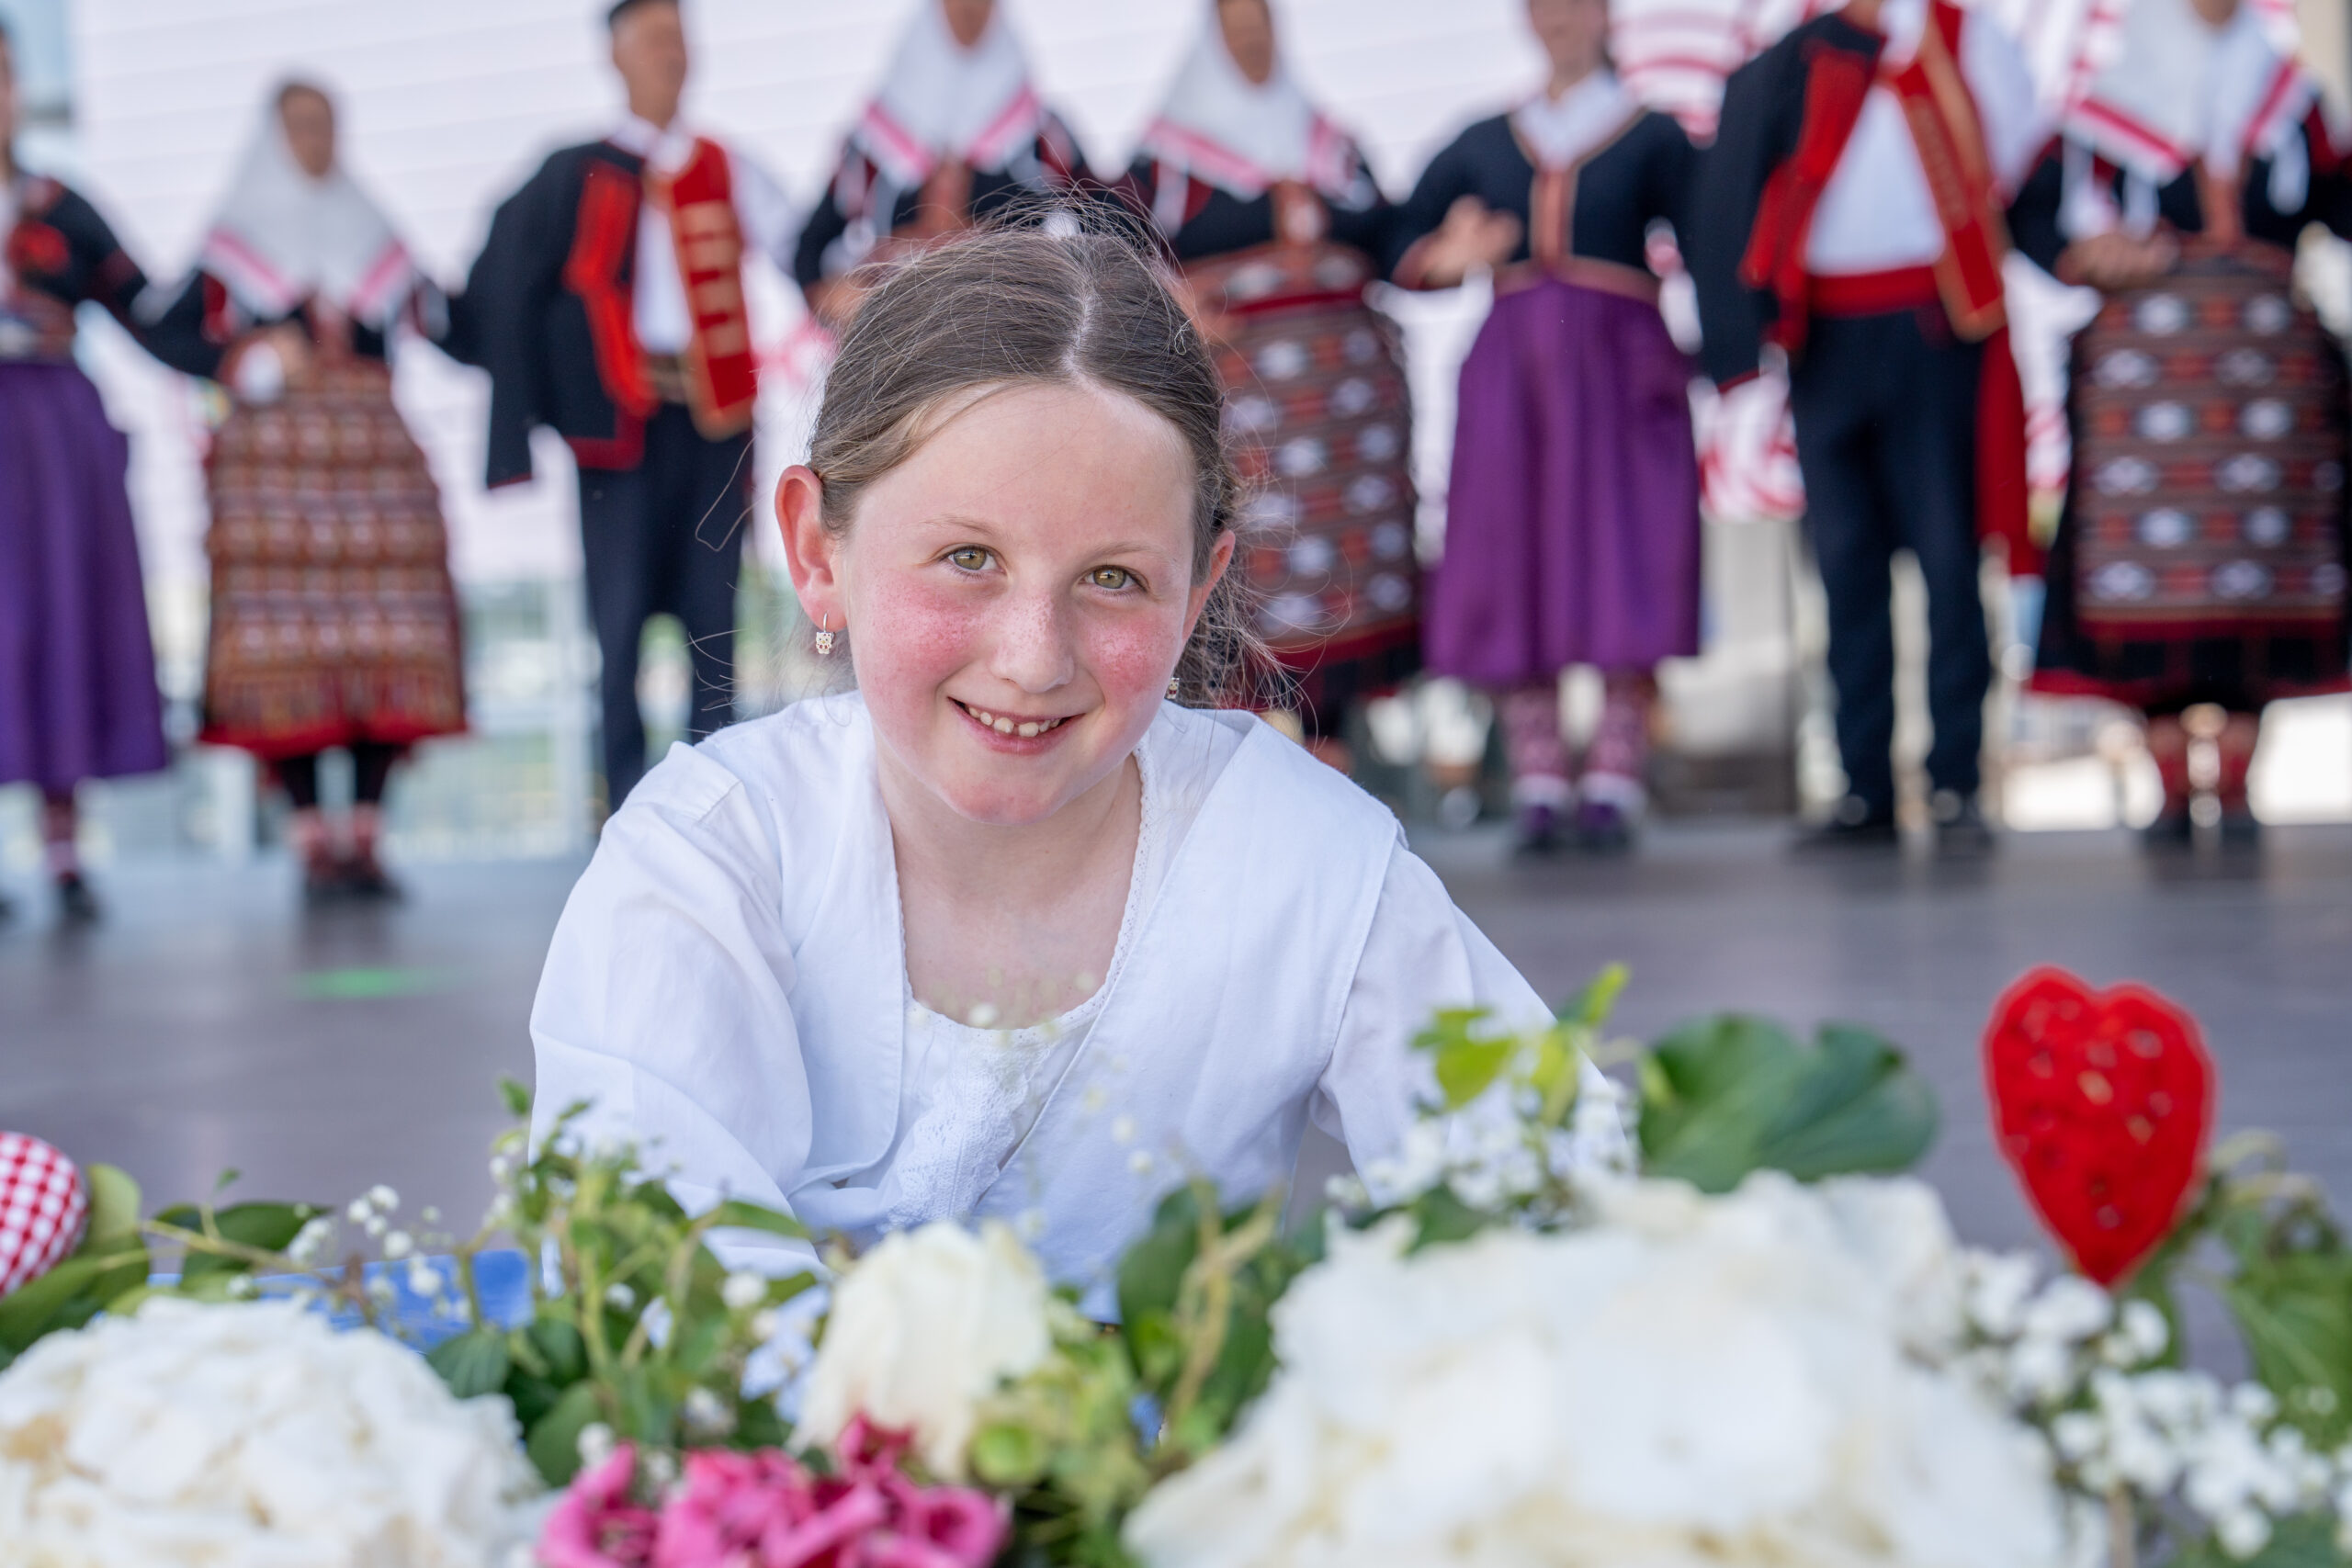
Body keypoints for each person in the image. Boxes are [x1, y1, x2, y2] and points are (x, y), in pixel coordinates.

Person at [529, 228, 1621, 1308]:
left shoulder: (1306, 860)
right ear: (819, 552)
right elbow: (652, 1290)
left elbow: (1571, 1216)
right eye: (967, 559)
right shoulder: (709, 858)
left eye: (1112, 579)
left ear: (1198, 590)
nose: (1033, 659)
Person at [1690, 0, 2050, 853]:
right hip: (1823, 334)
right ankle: (1864, 786)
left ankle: (1956, 780)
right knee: (1846, 564)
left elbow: (2018, 161)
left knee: (1947, 556)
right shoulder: (1803, 49)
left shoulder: (1963, 36)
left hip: (1932, 321)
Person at [2007, 0, 2352, 845]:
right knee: (2143, 565)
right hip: (2145, 378)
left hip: (2266, 379)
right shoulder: (2109, 99)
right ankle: (2164, 771)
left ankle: (2237, 771)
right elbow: (2029, 213)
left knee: (2261, 561)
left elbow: (2339, 202)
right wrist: (2087, 257)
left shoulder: (2289, 97)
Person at [454, 0, 798, 813]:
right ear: (615, 55)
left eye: (678, 39)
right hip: (620, 431)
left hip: (713, 423)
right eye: (651, 40)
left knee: (713, 619)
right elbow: (499, 287)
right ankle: (623, 809)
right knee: (618, 623)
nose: (668, 56)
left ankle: (718, 806)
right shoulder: (575, 173)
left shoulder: (726, 168)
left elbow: (804, 249)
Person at [1387, 0, 1702, 853]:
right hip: (1515, 376)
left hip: (1620, 371)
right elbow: (1397, 233)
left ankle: (1614, 775)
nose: (1558, 18)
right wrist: (1448, 256)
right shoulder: (1487, 141)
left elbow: (1715, 238)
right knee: (1514, 553)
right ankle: (1538, 775)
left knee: (1626, 551)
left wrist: (1727, 353)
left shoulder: (1654, 136)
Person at [159, 81, 468, 902]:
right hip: (275, 482)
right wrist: (248, 355)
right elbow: (166, 329)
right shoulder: (237, 243)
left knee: (387, 637)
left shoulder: (370, 229)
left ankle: (363, 834)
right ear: (273, 134)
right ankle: (308, 839)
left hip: (373, 469)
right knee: (284, 650)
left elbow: (451, 320)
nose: (316, 138)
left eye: (327, 123)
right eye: (300, 124)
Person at [1115, 0, 1419, 769]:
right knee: (1242, 549)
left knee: (1341, 568)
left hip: (1345, 411)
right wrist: (1170, 301)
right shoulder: (1167, 164)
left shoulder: (1331, 147)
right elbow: (1107, 249)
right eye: (1238, 27)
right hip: (1241, 403)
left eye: (1264, 26)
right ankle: (1233, 763)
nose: (1254, 40)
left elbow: (1391, 240)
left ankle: (1332, 752)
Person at [0, 20, 222, 924]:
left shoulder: (60, 207)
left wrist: (243, 318)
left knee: (54, 621)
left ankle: (62, 850)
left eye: (4, 75)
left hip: (51, 441)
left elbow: (149, 309)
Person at [794, 0, 1093, 328]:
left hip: (1012, 331)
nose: (970, 12)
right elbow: (812, 248)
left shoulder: (1040, 132)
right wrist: (837, 294)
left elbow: (1107, 218)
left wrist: (1065, 286)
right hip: (903, 332)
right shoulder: (873, 142)